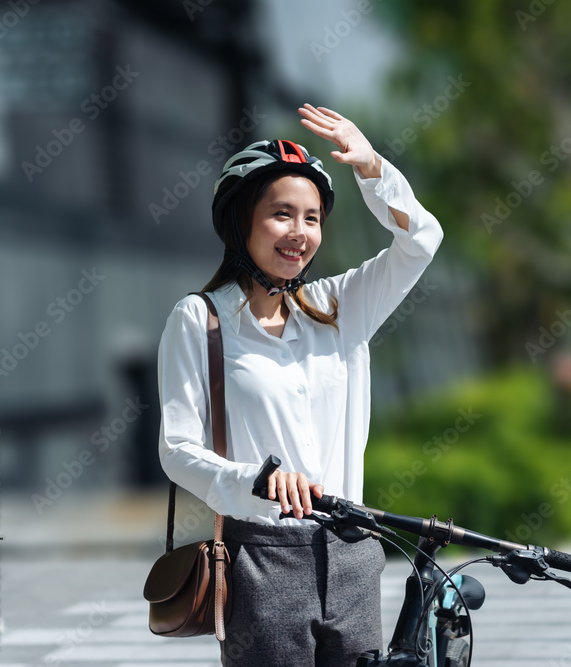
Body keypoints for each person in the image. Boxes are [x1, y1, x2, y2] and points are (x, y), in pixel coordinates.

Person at [156, 104, 443, 666]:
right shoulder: (199, 319)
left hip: (354, 553)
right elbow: (176, 450)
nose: (299, 233)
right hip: (261, 560)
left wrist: (372, 169)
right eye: (281, 214)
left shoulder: (341, 306)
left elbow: (421, 242)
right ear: (240, 221)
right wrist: (254, 481)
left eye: (312, 218)